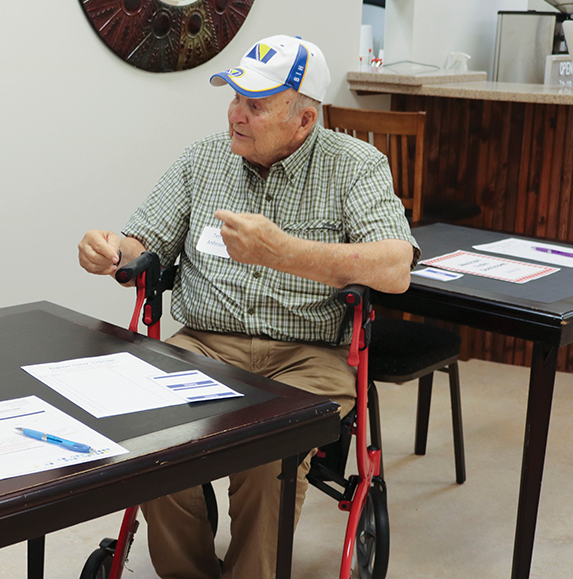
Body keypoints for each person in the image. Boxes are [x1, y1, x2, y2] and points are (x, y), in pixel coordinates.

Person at [78, 35, 419, 579]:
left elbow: (395, 268)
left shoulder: (355, 165)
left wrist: (285, 252)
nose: (236, 114)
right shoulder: (203, 160)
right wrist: (112, 251)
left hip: (306, 356)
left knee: (267, 458)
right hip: (205, 347)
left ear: (303, 120)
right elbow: (145, 242)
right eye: (234, 97)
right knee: (148, 435)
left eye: (255, 105)